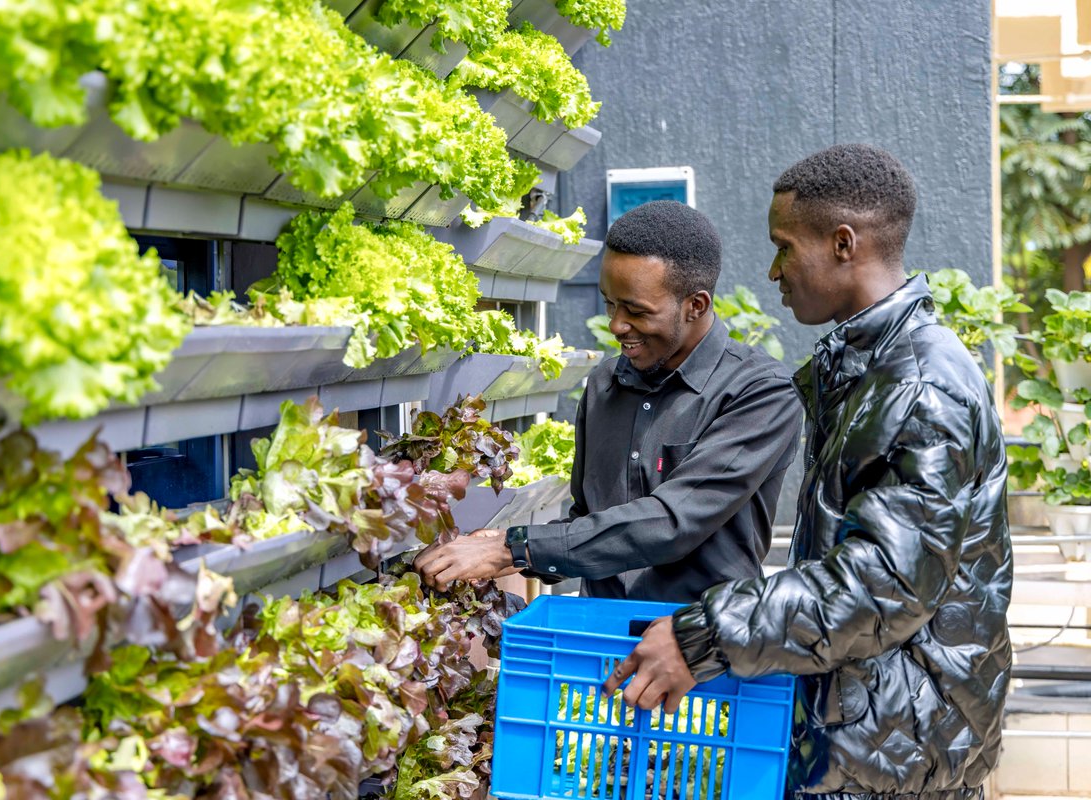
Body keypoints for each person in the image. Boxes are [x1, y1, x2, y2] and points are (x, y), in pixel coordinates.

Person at [604, 144, 1012, 800]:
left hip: (894, 754)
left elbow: (881, 586)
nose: (774, 271)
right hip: (876, 734)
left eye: (784, 248)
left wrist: (700, 637)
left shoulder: (919, 385)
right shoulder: (871, 369)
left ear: (844, 243)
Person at [414, 200, 802, 604]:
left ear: (696, 306)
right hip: (598, 632)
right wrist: (503, 549)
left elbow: (673, 521)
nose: (616, 325)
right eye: (609, 303)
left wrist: (513, 548)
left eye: (636, 311)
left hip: (699, 636)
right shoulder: (605, 384)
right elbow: (590, 522)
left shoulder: (760, 392)